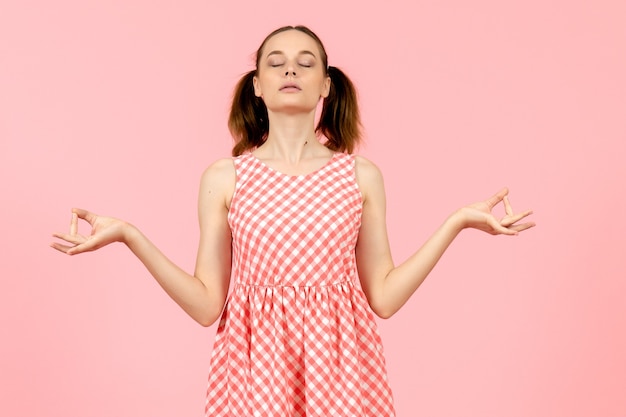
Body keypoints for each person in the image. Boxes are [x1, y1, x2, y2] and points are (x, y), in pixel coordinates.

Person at [51, 25, 534, 417]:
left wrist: (456, 223)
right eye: (275, 61)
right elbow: (205, 306)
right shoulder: (226, 177)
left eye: (306, 63)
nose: (290, 69)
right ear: (257, 85)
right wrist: (130, 236)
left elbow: (383, 297)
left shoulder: (360, 175)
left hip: (344, 376)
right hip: (253, 375)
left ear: (326, 84)